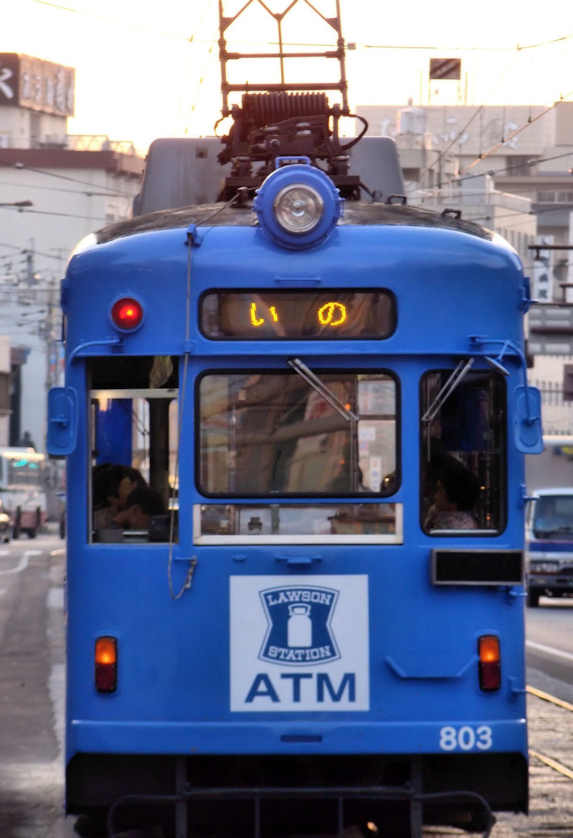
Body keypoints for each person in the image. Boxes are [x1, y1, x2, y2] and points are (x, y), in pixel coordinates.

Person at [424, 459, 480, 531]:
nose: (435, 496)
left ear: (453, 497)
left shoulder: (458, 528)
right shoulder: (438, 512)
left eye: (439, 490)